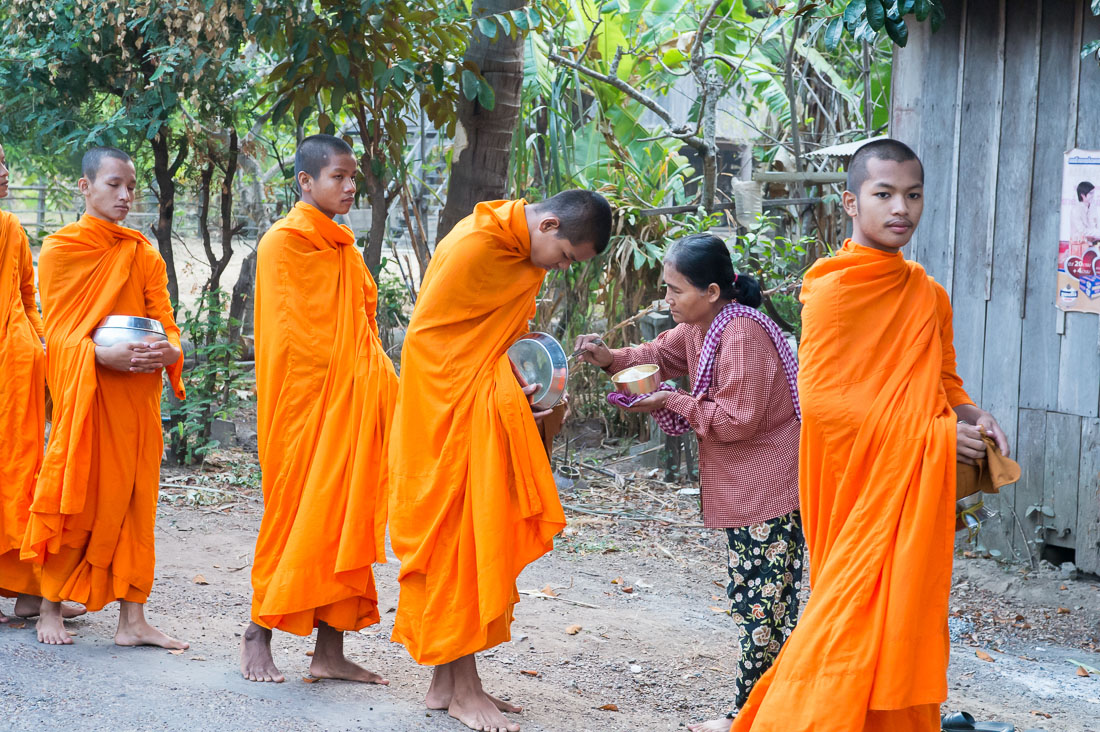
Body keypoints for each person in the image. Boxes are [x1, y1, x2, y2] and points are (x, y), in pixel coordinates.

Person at [729, 138, 1010, 732]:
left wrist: (971, 417)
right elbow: (823, 404)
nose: (899, 208)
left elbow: (943, 379)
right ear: (852, 202)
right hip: (852, 481)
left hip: (904, 483)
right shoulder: (833, 292)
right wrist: (931, 438)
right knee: (847, 611)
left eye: (912, 195)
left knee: (902, 616)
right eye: (883, 194)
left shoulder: (928, 295)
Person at [388, 190, 611, 732]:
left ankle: (448, 682)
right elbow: (428, 341)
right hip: (448, 410)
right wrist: (495, 382)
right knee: (459, 542)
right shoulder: (478, 246)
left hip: (478, 405)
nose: (559, 269)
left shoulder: (515, 251)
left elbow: (490, 337)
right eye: (565, 257)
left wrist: (516, 377)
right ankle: (463, 689)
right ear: (550, 223)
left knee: (470, 539)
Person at [574, 233, 803, 732]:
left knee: (763, 609)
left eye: (675, 290)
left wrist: (672, 401)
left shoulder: (740, 333)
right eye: (666, 289)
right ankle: (767, 713)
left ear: (713, 290)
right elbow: (657, 354)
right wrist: (610, 357)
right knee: (756, 601)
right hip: (747, 489)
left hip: (769, 488)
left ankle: (748, 717)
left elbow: (739, 419)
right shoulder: (701, 326)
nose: (667, 300)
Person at [239, 134, 398, 684]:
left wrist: (372, 378)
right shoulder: (283, 243)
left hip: (349, 402)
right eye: (339, 177)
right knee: (292, 518)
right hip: (302, 405)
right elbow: (292, 339)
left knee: (343, 524)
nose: (351, 186)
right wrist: (354, 373)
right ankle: (257, 632)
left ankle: (329, 652)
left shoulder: (342, 246)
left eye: (354, 177)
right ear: (305, 182)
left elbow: (360, 328)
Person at [21, 146, 188, 649]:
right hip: (88, 397)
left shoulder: (142, 251)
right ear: (85, 186)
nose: (124, 195)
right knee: (75, 495)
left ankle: (133, 620)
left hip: (136, 399)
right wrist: (99, 358)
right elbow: (61, 335)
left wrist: (169, 352)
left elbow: (166, 321)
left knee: (137, 504)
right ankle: (49, 605)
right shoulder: (61, 249)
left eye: (131, 186)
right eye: (113, 184)